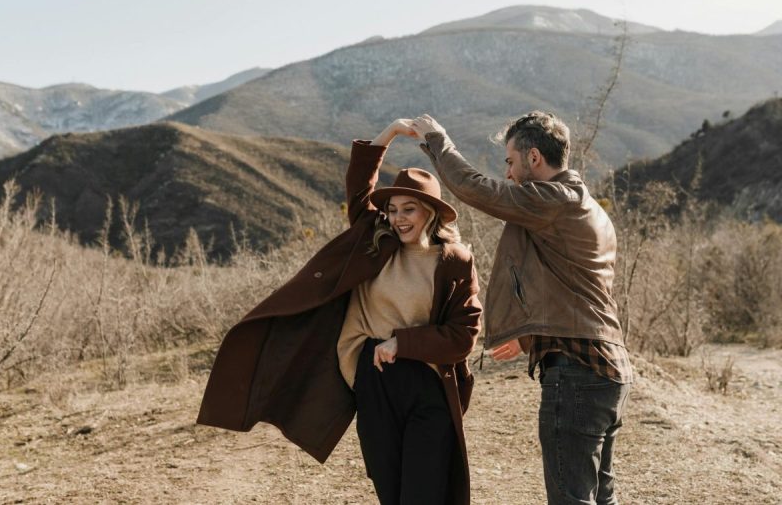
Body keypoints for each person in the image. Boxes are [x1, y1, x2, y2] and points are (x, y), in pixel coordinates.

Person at [197, 119, 482, 505]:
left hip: (428, 385)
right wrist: (389, 135)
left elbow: (463, 335)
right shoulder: (373, 240)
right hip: (374, 379)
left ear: (430, 212)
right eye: (393, 209)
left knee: (424, 492)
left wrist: (403, 342)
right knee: (390, 488)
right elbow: (360, 187)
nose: (398, 218)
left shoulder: (454, 261)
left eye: (409, 209)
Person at [409, 112, 633, 505]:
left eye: (510, 162)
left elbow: (478, 190)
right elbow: (572, 289)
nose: (508, 174)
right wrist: (531, 336)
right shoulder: (586, 206)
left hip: (577, 371)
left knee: (571, 498)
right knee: (600, 496)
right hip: (607, 367)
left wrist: (438, 141)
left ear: (533, 158)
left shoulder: (554, 200)